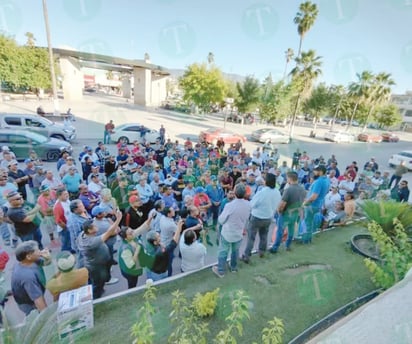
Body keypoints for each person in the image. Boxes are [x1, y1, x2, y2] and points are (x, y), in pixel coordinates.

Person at [77, 210, 122, 299]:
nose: (97, 226)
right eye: (94, 226)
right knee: (97, 283)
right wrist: (118, 219)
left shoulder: (83, 234)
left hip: (97, 263)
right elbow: (109, 232)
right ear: (89, 230)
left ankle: (98, 290)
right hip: (97, 267)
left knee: (96, 281)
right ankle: (96, 299)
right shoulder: (91, 242)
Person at [212, 183, 250, 278]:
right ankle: (233, 267)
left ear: (235, 193)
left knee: (223, 251)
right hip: (239, 232)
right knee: (235, 250)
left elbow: (221, 220)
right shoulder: (248, 204)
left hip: (228, 233)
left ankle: (220, 270)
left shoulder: (230, 205)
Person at [241, 173, 281, 263]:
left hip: (257, 217)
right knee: (264, 235)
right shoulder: (277, 192)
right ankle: (262, 251)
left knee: (251, 237)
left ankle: (247, 255)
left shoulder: (262, 192)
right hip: (268, 217)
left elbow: (252, 204)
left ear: (266, 181)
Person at [11, 241, 51, 315]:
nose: (40, 251)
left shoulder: (27, 261)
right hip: (28, 303)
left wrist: (47, 257)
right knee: (36, 317)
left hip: (31, 294)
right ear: (28, 256)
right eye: (37, 250)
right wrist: (48, 317)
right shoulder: (28, 277)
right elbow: (38, 300)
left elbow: (46, 263)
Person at [270, 172, 306, 253]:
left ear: (289, 179)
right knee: (291, 230)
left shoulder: (288, 190)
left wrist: (279, 211)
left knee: (280, 230)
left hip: (286, 213)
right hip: (295, 213)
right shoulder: (303, 190)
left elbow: (282, 203)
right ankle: (288, 245)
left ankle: (275, 248)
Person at [117, 215, 153, 289]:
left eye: (132, 231)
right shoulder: (125, 250)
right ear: (126, 237)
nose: (133, 233)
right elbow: (130, 265)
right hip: (130, 271)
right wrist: (137, 252)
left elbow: (141, 229)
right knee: (132, 283)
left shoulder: (131, 236)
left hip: (136, 267)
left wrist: (149, 219)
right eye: (131, 233)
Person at [302, 165, 330, 243]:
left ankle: (305, 240)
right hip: (318, 205)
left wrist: (305, 203)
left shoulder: (319, 181)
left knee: (307, 222)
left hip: (312, 205)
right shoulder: (327, 180)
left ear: (320, 171)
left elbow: (314, 196)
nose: (314, 172)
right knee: (310, 223)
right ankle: (309, 239)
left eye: (315, 171)